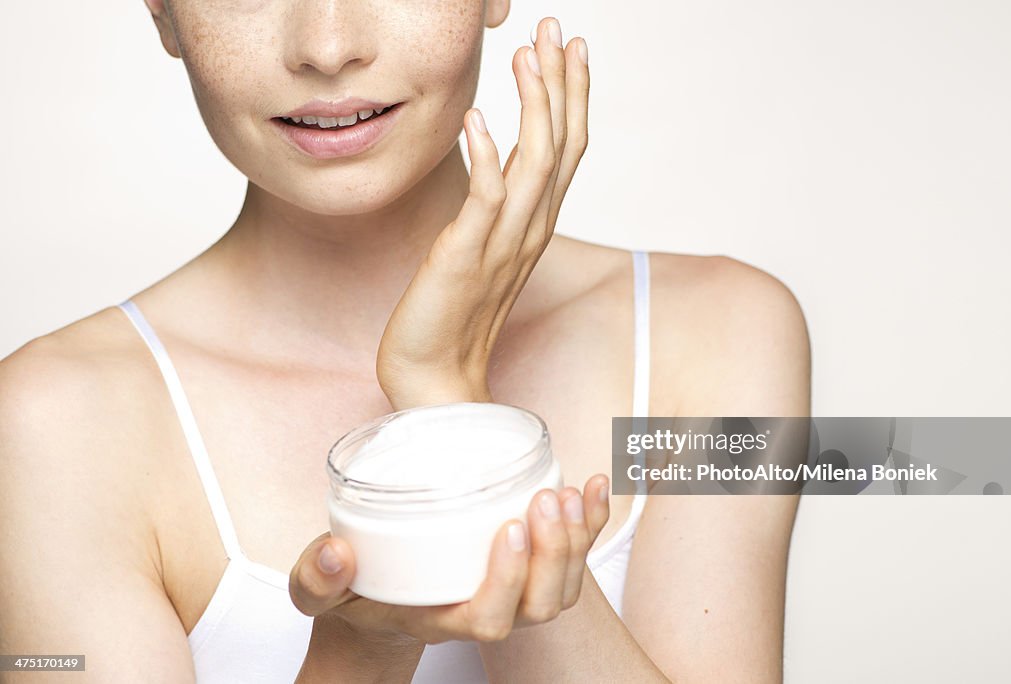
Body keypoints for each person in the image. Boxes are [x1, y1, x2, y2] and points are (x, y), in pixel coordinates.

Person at [0, 1, 810, 682]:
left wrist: (451, 406)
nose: (326, 47)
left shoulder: (719, 334)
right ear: (163, 10)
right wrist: (363, 647)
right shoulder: (51, 423)